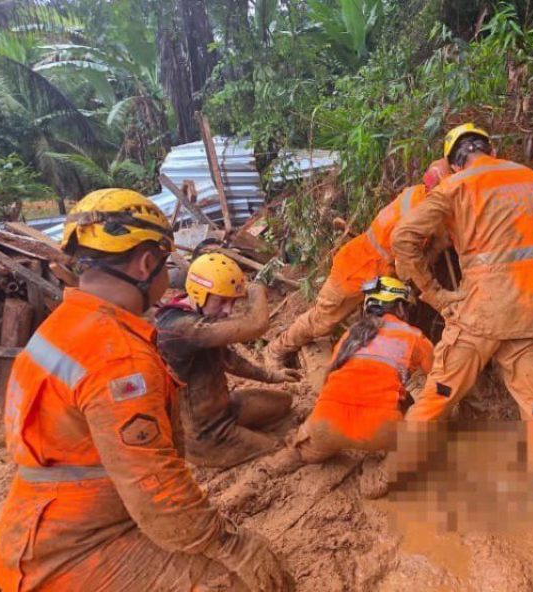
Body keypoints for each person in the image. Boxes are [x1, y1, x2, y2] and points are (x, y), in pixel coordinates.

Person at [0, 188, 291, 592]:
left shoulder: (59, 329)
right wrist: (234, 546)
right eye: (165, 264)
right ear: (148, 263)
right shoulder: (119, 358)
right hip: (75, 553)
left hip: (36, 529)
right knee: (242, 581)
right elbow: (155, 490)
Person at [386, 123, 533, 544]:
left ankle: (397, 474)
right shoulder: (532, 180)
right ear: (489, 149)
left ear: (455, 161)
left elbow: (403, 238)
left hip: (478, 315)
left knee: (436, 398)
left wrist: (435, 295)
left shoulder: (456, 186)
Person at [219, 276, 433, 510]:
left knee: (297, 453)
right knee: (427, 414)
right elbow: (441, 377)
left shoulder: (351, 336)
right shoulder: (414, 337)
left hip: (325, 423)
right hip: (378, 431)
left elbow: (330, 379)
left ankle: (238, 493)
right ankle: (382, 475)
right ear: (400, 307)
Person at [264, 160, 450, 362]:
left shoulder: (417, 194)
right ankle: (276, 351)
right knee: (322, 320)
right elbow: (406, 266)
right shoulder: (419, 212)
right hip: (357, 268)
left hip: (380, 271)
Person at [154, 252, 300, 469]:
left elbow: (228, 359)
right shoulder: (180, 328)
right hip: (206, 433)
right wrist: (256, 289)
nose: (228, 310)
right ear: (199, 294)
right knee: (279, 449)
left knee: (283, 403)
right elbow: (257, 325)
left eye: (232, 302)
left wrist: (271, 376)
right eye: (222, 301)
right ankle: (211, 452)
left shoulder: (198, 318)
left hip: (224, 409)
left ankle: (244, 434)